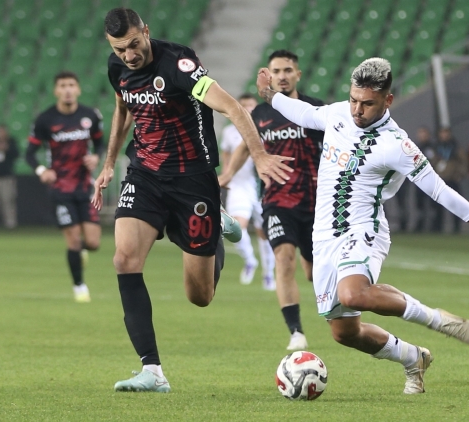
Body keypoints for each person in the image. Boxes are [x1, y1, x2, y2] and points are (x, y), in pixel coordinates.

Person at [255, 57, 469, 394]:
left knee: (353, 294)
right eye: (354, 100)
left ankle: (436, 320)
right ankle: (413, 358)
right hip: (324, 236)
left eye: (367, 104)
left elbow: (438, 188)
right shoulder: (338, 114)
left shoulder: (398, 144)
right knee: (344, 333)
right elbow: (303, 113)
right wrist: (269, 95)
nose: (357, 110)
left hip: (364, 229)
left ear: (387, 100)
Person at [91, 8, 292, 393]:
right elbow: (123, 108)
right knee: (124, 259)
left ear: (146, 31)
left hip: (192, 180)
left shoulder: (178, 64)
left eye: (134, 44)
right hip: (145, 173)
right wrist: (109, 163)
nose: (129, 55)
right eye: (120, 49)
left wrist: (260, 154)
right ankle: (153, 371)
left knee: (199, 296)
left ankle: (216, 225)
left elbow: (232, 106)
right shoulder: (118, 68)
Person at [219, 50, 325, 351]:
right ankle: (296, 332)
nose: (282, 76)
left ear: (298, 74)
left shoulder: (316, 110)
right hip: (277, 200)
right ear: (270, 75)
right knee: (284, 259)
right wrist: (227, 174)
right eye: (276, 71)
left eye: (288, 70)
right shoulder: (260, 115)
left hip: (316, 203)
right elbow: (244, 147)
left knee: (313, 272)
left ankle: (335, 311)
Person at [26, 71, 104, 303]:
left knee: (93, 243)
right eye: (62, 86)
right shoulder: (45, 119)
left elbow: (100, 142)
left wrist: (96, 157)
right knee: (73, 240)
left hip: (85, 186)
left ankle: (81, 253)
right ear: (56, 91)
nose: (67, 90)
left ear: (78, 89)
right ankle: (79, 286)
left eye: (71, 85)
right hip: (60, 188)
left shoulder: (91, 115)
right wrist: (42, 171)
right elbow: (29, 153)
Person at [220, 93, 276, 290]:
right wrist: (226, 174)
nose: (247, 109)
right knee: (236, 227)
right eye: (243, 106)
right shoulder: (229, 132)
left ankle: (268, 274)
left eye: (251, 106)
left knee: (265, 233)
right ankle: (250, 260)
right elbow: (226, 154)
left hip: (260, 187)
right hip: (238, 185)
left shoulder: (266, 128)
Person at [432, 127, 468, 233]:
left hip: (452, 179)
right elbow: (432, 162)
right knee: (438, 205)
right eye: (442, 133)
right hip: (439, 180)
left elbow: (464, 162)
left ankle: (456, 227)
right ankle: (437, 227)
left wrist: (460, 175)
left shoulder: (455, 147)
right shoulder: (436, 147)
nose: (444, 135)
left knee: (455, 203)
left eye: (446, 133)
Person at [413, 126, 437, 232]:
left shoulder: (433, 147)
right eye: (420, 133)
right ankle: (420, 225)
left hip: (430, 178)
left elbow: (435, 160)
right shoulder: (414, 147)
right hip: (418, 179)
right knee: (419, 204)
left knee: (432, 203)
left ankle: (434, 226)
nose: (422, 136)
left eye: (424, 133)